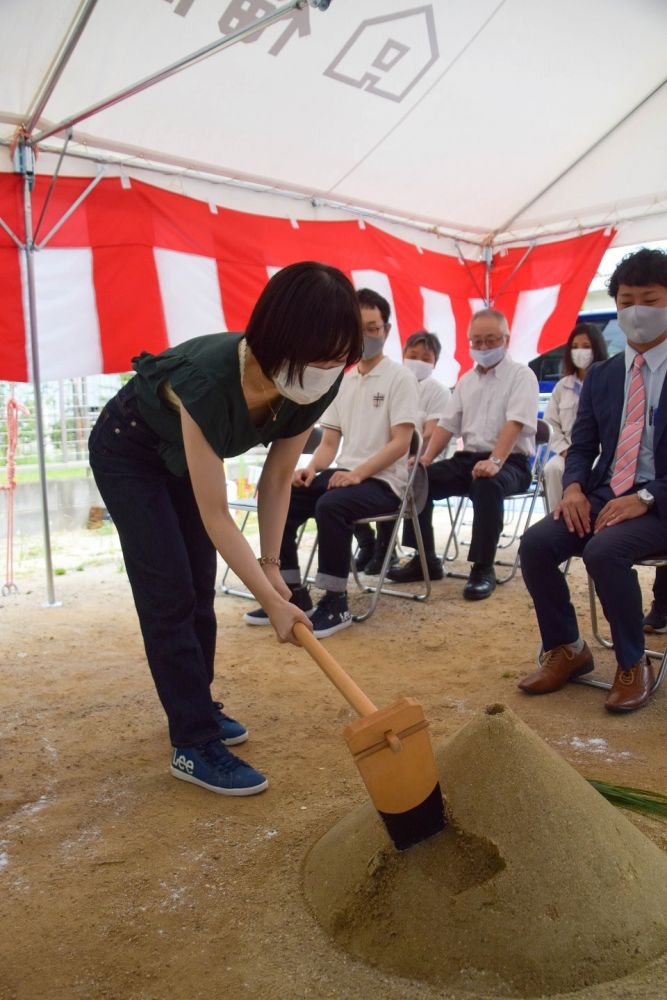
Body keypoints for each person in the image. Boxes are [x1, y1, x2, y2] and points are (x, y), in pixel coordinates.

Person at [88, 261, 363, 796]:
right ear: (280, 338)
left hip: (182, 462)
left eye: (338, 359)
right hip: (130, 451)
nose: (330, 369)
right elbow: (217, 513)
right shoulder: (211, 378)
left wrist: (271, 565)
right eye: (321, 355)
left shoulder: (315, 384)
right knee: (169, 590)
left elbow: (279, 477)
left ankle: (200, 707)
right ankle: (192, 743)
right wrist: (272, 602)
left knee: (199, 586)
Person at [517, 247, 667, 712]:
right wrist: (577, 487)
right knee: (537, 544)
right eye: (626, 301)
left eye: (650, 299)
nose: (636, 311)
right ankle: (567, 649)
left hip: (659, 502)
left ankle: (633, 660)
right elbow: (581, 446)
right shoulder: (602, 374)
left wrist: (645, 496)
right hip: (605, 494)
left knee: (605, 550)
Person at [244, 288, 418, 635]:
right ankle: (290, 592)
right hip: (346, 474)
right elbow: (330, 442)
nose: (368, 335)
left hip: (386, 483)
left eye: (374, 327)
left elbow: (401, 444)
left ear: (387, 329)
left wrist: (357, 474)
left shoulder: (401, 378)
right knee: (288, 495)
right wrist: (311, 468)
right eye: (360, 328)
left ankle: (336, 602)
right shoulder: (340, 379)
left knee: (332, 505)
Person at [387, 308, 539, 600]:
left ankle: (483, 568)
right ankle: (424, 559)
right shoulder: (467, 380)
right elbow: (448, 424)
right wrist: (426, 458)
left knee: (487, 484)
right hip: (468, 459)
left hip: (511, 462)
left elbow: (515, 423)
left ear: (506, 339)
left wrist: (495, 461)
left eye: (490, 340)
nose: (483, 347)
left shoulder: (522, 376)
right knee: (419, 479)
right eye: (476, 341)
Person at [359, 329, 452, 575]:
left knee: (404, 478)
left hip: (420, 456)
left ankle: (389, 553)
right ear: (403, 354)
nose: (418, 362)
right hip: (388, 454)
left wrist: (415, 455)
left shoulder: (437, 391)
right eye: (413, 355)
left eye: (426, 358)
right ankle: (368, 544)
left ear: (435, 363)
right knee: (347, 476)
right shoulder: (390, 384)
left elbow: (431, 432)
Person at [542, 323, 608, 510]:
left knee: (596, 470)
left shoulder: (608, 380)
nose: (580, 352)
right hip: (568, 452)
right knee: (553, 469)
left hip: (602, 453)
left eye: (586, 346)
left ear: (597, 348)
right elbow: (550, 422)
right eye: (575, 347)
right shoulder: (563, 386)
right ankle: (556, 518)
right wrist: (564, 450)